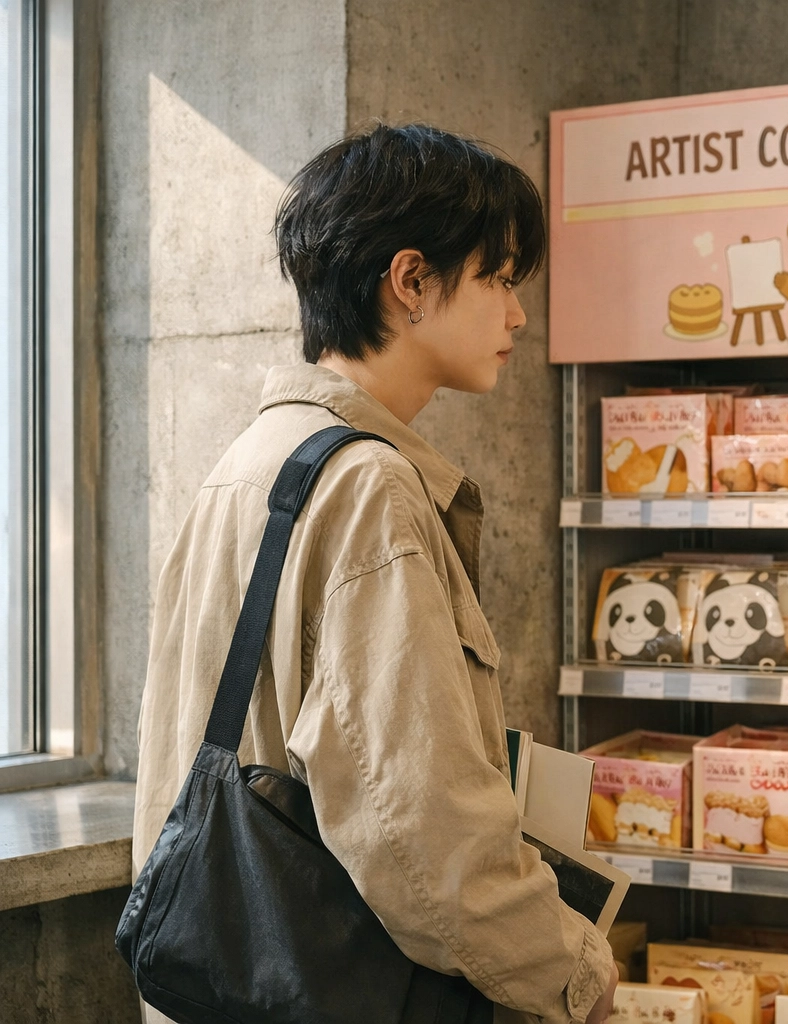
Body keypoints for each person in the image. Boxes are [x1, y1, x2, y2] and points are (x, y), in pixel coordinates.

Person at [131, 123, 618, 1024]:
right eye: (500, 278)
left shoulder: (251, 460)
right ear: (410, 283)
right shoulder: (370, 490)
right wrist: (575, 972)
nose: (517, 314)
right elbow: (419, 833)